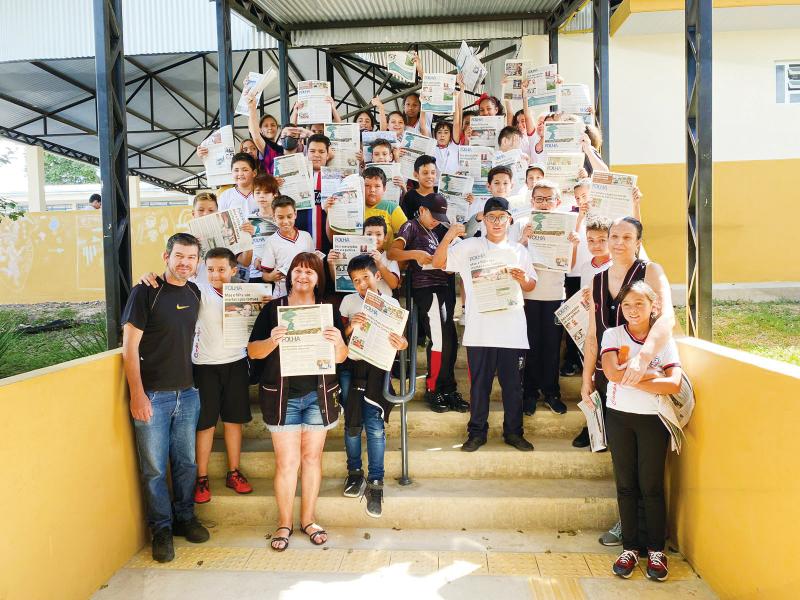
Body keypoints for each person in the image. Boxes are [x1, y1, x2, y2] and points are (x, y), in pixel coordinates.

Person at [581, 216, 676, 546]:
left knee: (646, 466)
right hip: (610, 380)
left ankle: (649, 532)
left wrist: (644, 357)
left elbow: (668, 318)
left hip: (646, 376)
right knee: (622, 463)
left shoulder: (651, 271)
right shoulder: (597, 279)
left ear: (638, 241)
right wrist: (586, 378)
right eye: (613, 236)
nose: (618, 242)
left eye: (626, 236)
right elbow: (593, 333)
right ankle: (629, 525)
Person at [247, 252, 348, 551]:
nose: (302, 277)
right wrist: (272, 340)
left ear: (318, 278)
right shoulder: (274, 310)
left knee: (312, 459)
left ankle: (308, 519)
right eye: (297, 271)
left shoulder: (327, 311)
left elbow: (341, 358)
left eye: (310, 272)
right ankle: (284, 523)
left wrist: (338, 342)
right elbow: (253, 352)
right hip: (282, 397)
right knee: (287, 462)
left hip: (319, 396)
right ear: (289, 275)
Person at [121, 232, 209, 563]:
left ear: (197, 262)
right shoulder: (146, 291)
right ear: (166, 256)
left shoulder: (195, 291)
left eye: (191, 258)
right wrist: (137, 395)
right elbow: (129, 348)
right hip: (153, 396)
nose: (185, 263)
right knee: (155, 469)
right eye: (179, 256)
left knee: (186, 463)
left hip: (187, 394)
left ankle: (185, 518)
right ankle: (161, 529)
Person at [432, 197, 537, 452]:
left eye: (502, 217)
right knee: (480, 386)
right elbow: (438, 264)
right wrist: (448, 237)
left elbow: (532, 284)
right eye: (492, 217)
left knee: (513, 387)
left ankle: (514, 432)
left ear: (510, 220)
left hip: (512, 332)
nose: (497, 222)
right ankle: (477, 433)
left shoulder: (519, 250)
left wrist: (523, 279)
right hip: (480, 332)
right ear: (484, 219)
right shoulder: (470, 246)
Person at [602, 281, 682, 582]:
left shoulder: (663, 341)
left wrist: (631, 376)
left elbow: (674, 383)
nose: (632, 311)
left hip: (653, 419)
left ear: (654, 307)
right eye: (626, 305)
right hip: (620, 417)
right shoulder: (614, 334)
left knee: (651, 486)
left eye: (639, 304)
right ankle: (630, 548)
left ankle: (656, 550)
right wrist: (653, 374)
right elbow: (611, 373)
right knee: (626, 484)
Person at [338, 254, 408, 517]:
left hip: (379, 369)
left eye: (365, 277)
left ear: (377, 275)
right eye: (356, 281)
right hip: (351, 369)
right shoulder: (348, 303)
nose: (362, 284)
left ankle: (375, 482)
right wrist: (349, 328)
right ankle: (354, 473)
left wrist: (402, 345)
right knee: (352, 425)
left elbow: (400, 341)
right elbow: (338, 338)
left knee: (376, 427)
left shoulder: (390, 304)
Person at [388, 194, 466, 413]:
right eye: (433, 215)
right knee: (440, 337)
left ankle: (448, 388)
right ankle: (433, 388)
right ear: (422, 210)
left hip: (445, 286)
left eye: (440, 216)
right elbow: (392, 252)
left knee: (450, 337)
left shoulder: (443, 227)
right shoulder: (410, 226)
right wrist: (416, 254)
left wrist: (450, 237)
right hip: (424, 287)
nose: (436, 220)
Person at [191, 247, 257, 503]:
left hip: (236, 363)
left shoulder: (243, 293)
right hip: (204, 366)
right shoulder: (198, 291)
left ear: (234, 270)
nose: (215, 274)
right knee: (205, 424)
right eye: (210, 269)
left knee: (234, 421)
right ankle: (202, 477)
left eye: (221, 269)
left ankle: (234, 472)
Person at [518, 180, 581, 416]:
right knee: (531, 346)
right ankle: (530, 394)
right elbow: (513, 258)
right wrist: (524, 239)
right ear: (532, 200)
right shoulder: (523, 223)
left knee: (552, 348)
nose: (544, 204)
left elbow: (571, 265)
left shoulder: (566, 225)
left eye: (549, 199)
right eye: (539, 199)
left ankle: (552, 393)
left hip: (555, 296)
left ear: (558, 201)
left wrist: (573, 245)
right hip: (528, 296)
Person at [325, 166, 407, 251]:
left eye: (377, 186)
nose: (372, 190)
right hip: (355, 261)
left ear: (384, 189)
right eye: (367, 185)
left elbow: (405, 238)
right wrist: (330, 213)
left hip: (385, 261)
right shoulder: (348, 206)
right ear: (360, 187)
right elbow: (333, 240)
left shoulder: (392, 208)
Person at [254, 195, 314, 298]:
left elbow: (314, 265)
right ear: (274, 217)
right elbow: (265, 275)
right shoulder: (271, 242)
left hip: (306, 294)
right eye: (280, 217)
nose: (285, 221)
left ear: (295, 214)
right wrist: (271, 276)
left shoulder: (306, 236)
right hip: (282, 295)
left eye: (289, 216)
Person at [248, 174, 280, 282]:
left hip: (277, 272)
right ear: (253, 195)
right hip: (256, 273)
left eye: (266, 192)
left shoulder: (282, 219)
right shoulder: (248, 220)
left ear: (274, 195)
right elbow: (247, 248)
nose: (262, 196)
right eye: (258, 192)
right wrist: (255, 260)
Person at [246, 98, 283, 175]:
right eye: (266, 126)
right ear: (260, 130)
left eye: (273, 125)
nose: (270, 128)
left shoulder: (280, 148)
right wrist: (252, 108)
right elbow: (254, 134)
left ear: (277, 127)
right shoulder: (262, 144)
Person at [400, 155, 437, 219]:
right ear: (416, 175)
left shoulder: (439, 192)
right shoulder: (410, 196)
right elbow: (405, 222)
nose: (430, 176)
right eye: (425, 173)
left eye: (433, 173)